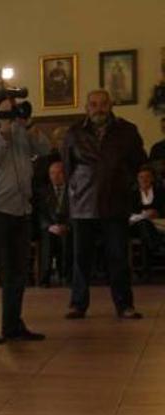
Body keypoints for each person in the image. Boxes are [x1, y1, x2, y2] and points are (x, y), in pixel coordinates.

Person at [0, 79, 50, 344]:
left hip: (20, 208)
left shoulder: (19, 127)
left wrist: (26, 127)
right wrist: (3, 129)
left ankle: (12, 325)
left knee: (16, 271)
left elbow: (46, 150)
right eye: (1, 95)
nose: (8, 99)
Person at [63, 89, 147, 319]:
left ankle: (124, 305)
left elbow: (139, 161)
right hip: (83, 203)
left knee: (118, 256)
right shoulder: (74, 132)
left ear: (110, 105)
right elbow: (68, 167)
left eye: (103, 104)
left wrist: (121, 180)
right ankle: (78, 304)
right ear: (86, 108)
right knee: (81, 258)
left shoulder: (126, 131)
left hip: (115, 202)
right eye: (93, 104)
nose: (98, 108)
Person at [36, 159, 71, 287]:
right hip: (49, 227)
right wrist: (50, 226)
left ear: (65, 174)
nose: (55, 176)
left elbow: (75, 211)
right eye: (52, 173)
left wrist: (66, 226)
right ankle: (45, 278)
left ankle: (66, 275)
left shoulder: (72, 190)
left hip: (67, 226)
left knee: (68, 238)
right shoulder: (43, 191)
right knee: (48, 239)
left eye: (59, 173)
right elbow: (40, 213)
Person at [130, 166, 165, 280]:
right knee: (144, 225)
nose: (144, 180)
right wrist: (143, 215)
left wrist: (157, 213)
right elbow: (129, 212)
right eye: (141, 177)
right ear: (137, 179)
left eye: (147, 177)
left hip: (158, 224)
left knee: (146, 233)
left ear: (152, 179)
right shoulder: (132, 194)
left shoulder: (160, 193)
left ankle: (146, 271)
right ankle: (157, 246)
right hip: (136, 225)